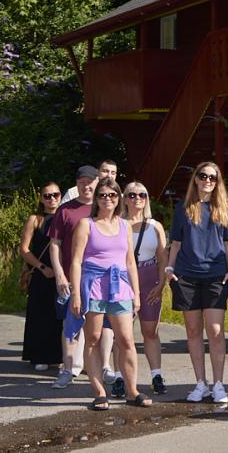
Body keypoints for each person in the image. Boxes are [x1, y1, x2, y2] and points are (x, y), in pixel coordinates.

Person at [65, 178, 151, 410]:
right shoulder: (86, 224)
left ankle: (132, 391)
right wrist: (76, 295)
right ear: (96, 198)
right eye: (102, 195)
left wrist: (136, 293)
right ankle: (99, 391)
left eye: (112, 195)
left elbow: (130, 262)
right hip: (93, 286)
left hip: (120, 286)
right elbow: (75, 261)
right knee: (93, 338)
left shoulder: (124, 225)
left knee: (126, 340)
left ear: (118, 198)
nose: (107, 199)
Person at [166, 162, 228, 404]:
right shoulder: (184, 208)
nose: (207, 180)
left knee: (216, 332)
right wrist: (169, 268)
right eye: (203, 176)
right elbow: (175, 243)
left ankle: (218, 384)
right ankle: (201, 383)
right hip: (186, 275)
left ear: (218, 182)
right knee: (193, 330)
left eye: (212, 177)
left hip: (217, 275)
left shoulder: (226, 208)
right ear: (195, 179)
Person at [61, 159, 119, 382]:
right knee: (80, 328)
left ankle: (105, 368)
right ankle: (72, 369)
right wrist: (69, 282)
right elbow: (70, 254)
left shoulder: (117, 216)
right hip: (85, 279)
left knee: (109, 329)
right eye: (82, 182)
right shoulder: (76, 213)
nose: (107, 198)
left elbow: (126, 257)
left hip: (113, 282)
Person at [48, 164, 100, 389]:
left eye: (90, 181)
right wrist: (59, 274)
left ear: (97, 183)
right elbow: (55, 244)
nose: (86, 185)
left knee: (102, 328)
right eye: (82, 182)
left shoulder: (105, 208)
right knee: (71, 326)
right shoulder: (65, 210)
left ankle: (102, 369)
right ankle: (67, 370)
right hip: (71, 278)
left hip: (99, 279)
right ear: (77, 183)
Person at [122, 181, 169, 395]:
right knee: (122, 334)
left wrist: (161, 284)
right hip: (123, 279)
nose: (137, 198)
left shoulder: (155, 225)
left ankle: (156, 374)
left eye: (142, 194)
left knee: (150, 330)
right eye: (132, 195)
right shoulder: (117, 224)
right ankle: (120, 377)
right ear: (124, 199)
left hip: (149, 276)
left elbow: (162, 257)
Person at [20, 182, 63, 371]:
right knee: (40, 315)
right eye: (47, 196)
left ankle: (58, 356)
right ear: (41, 199)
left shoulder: (65, 217)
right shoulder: (35, 219)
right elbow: (24, 249)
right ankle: (39, 356)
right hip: (40, 273)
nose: (52, 199)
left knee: (59, 316)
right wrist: (41, 266)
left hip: (62, 273)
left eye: (55, 195)